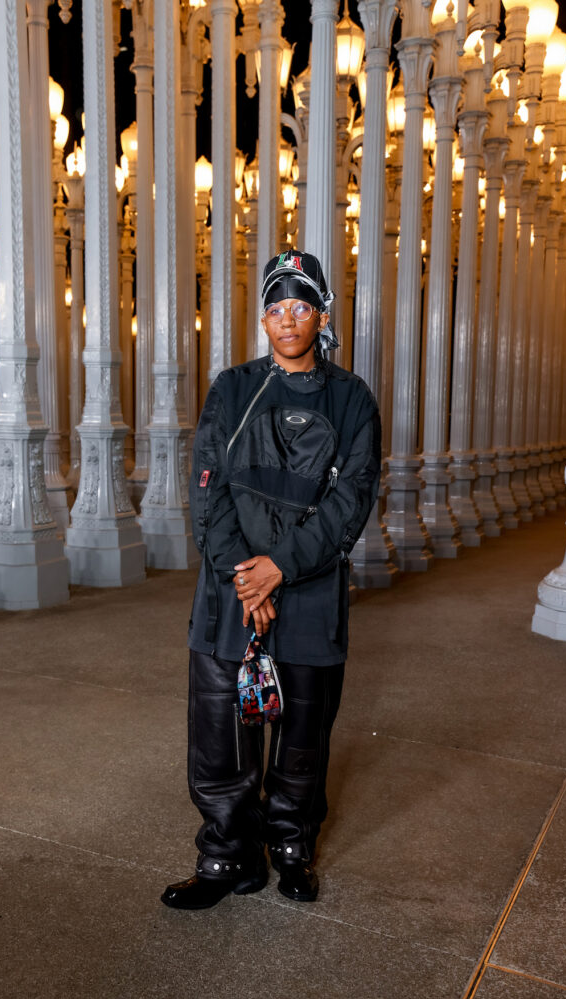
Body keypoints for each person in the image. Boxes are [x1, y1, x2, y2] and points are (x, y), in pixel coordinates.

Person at [161, 250, 381, 910]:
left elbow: (353, 498)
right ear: (263, 318)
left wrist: (280, 567)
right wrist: (243, 575)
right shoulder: (232, 387)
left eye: (301, 307)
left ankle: (289, 849)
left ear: (321, 314)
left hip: (308, 593)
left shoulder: (350, 400)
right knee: (220, 732)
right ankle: (228, 859)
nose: (288, 321)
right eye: (276, 309)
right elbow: (207, 487)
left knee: (304, 734)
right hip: (230, 594)